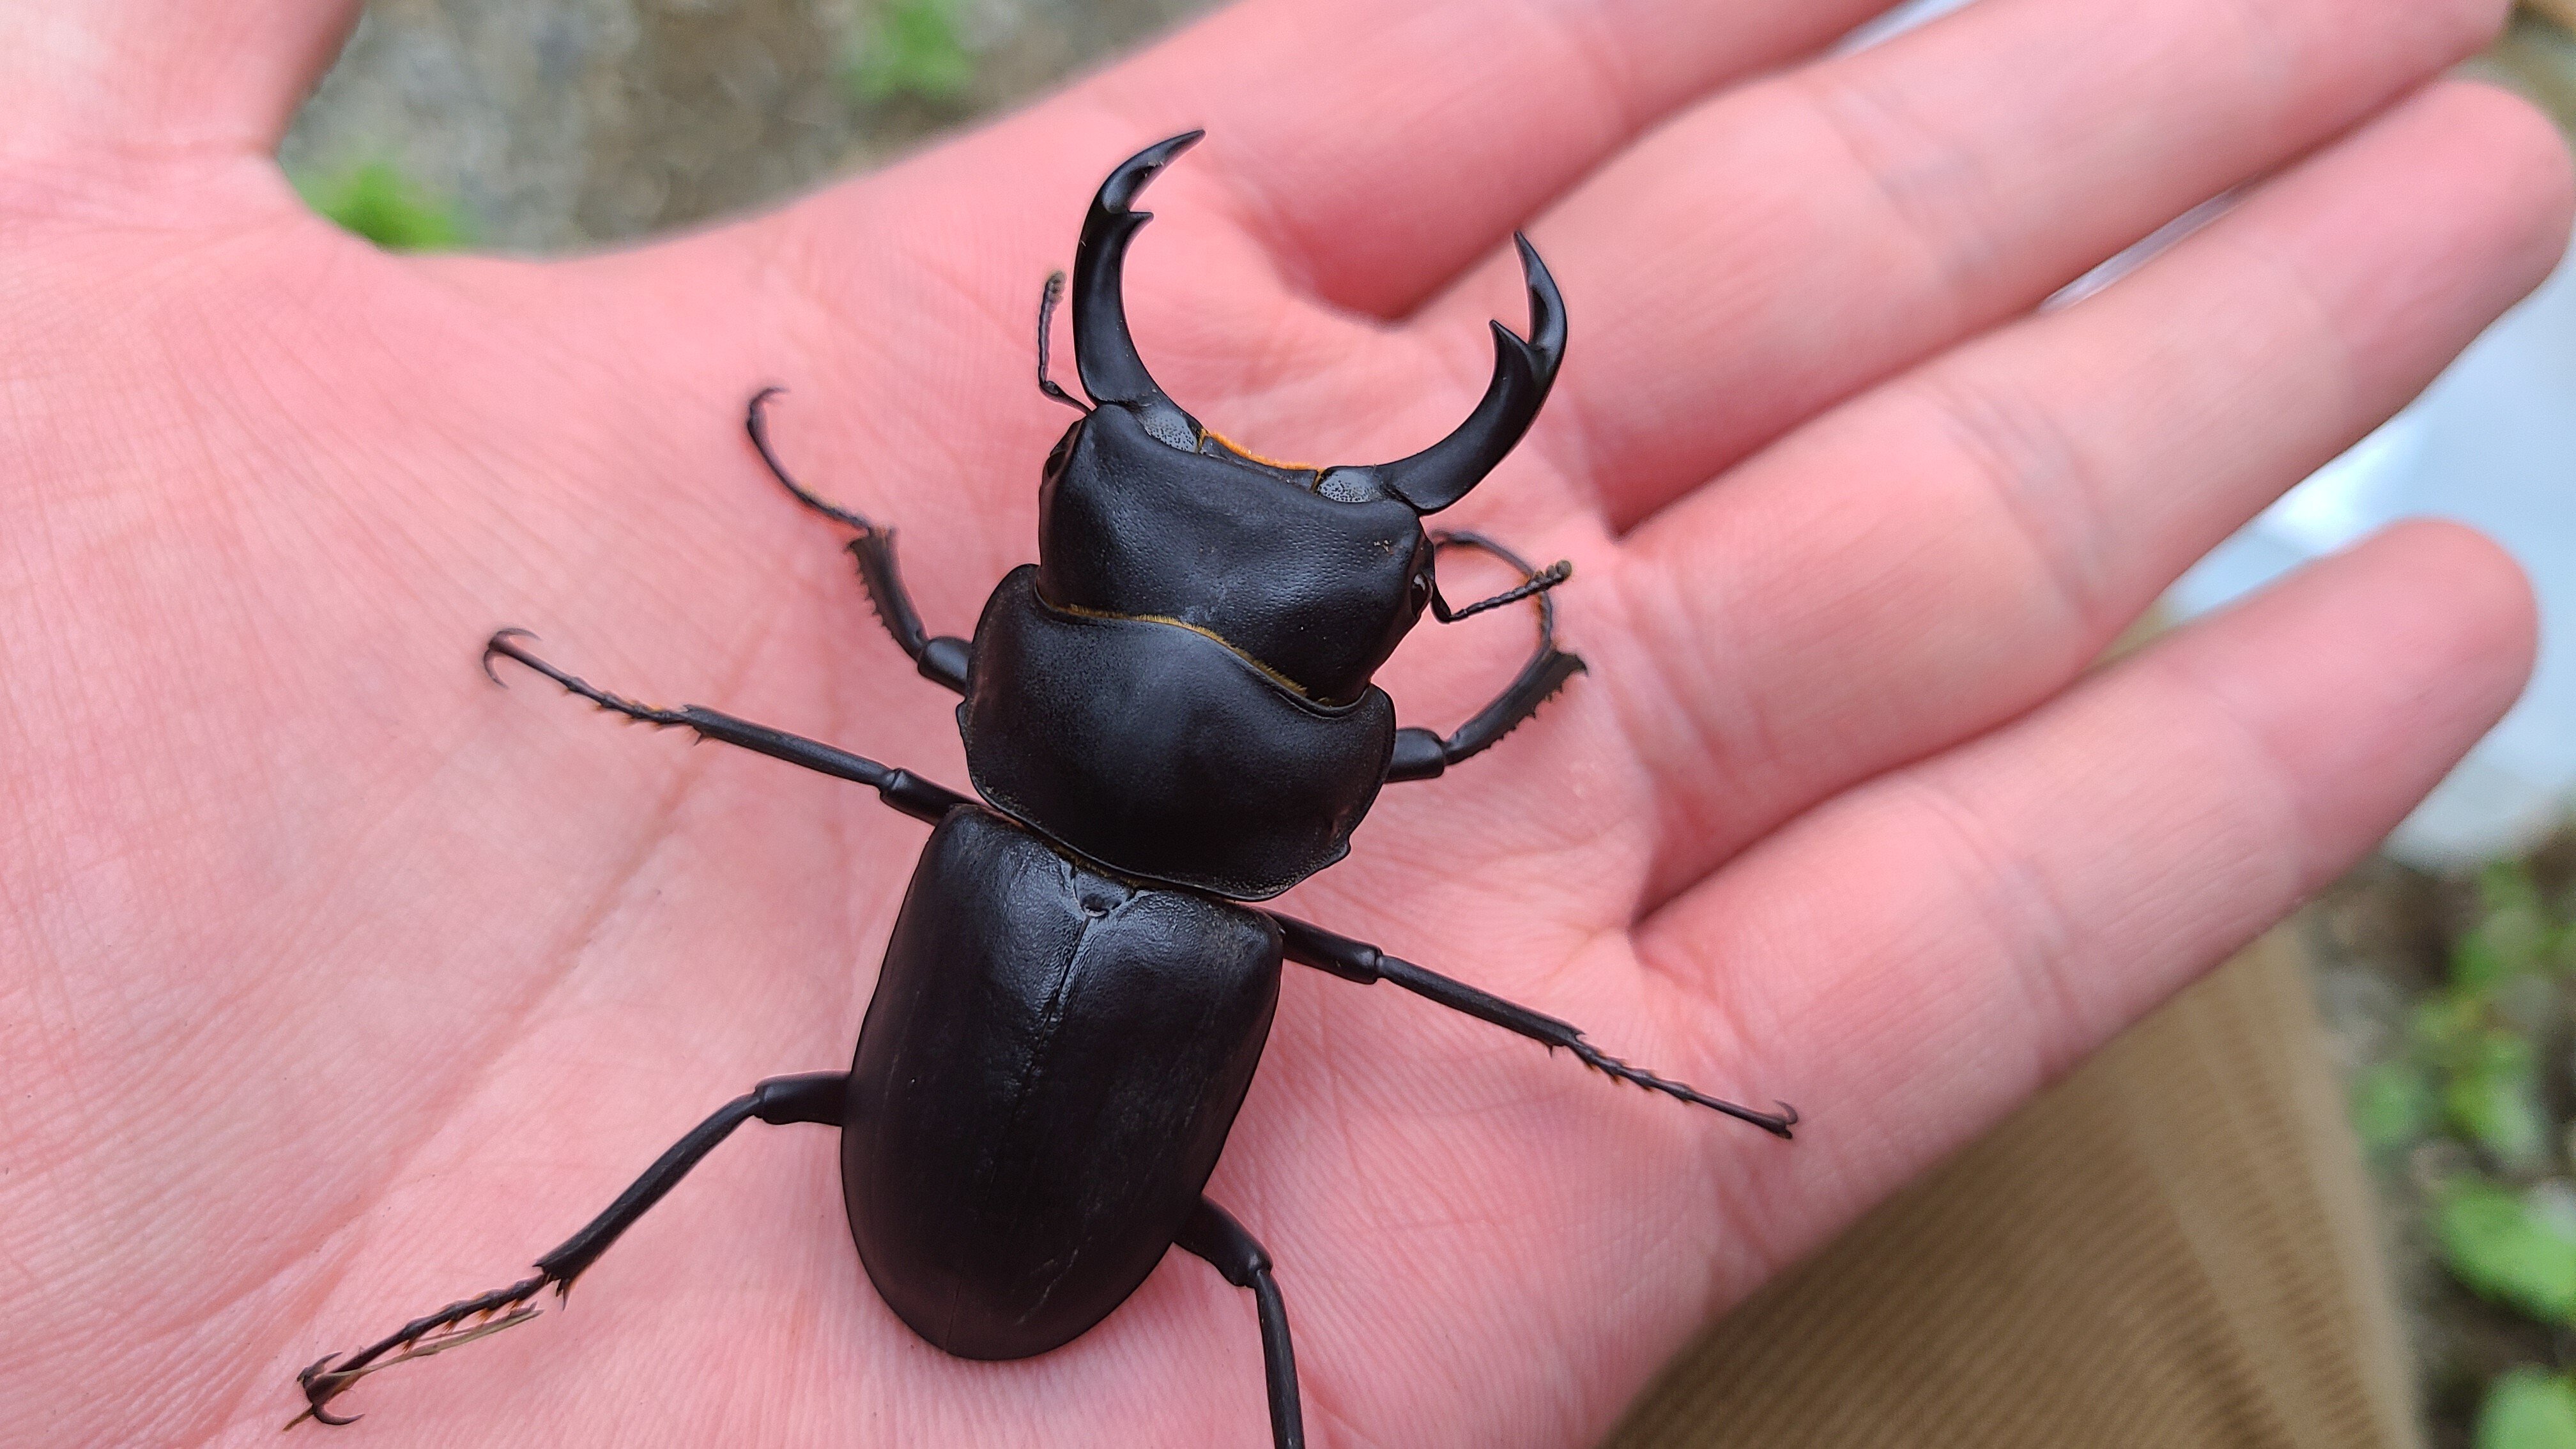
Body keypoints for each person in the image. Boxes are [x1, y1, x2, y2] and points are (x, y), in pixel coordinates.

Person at [1, 0, 2566, 1444]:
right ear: (1347, 759)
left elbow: (909, 673)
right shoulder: (1291, 845)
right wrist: (1526, 649)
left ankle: (531, 1285)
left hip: (1006, 1094)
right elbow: (1440, 769)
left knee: (821, 1108)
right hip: (1059, 1195)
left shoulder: (962, 758)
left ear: (1019, 657)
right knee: (1246, 1280)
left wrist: (678, 680)